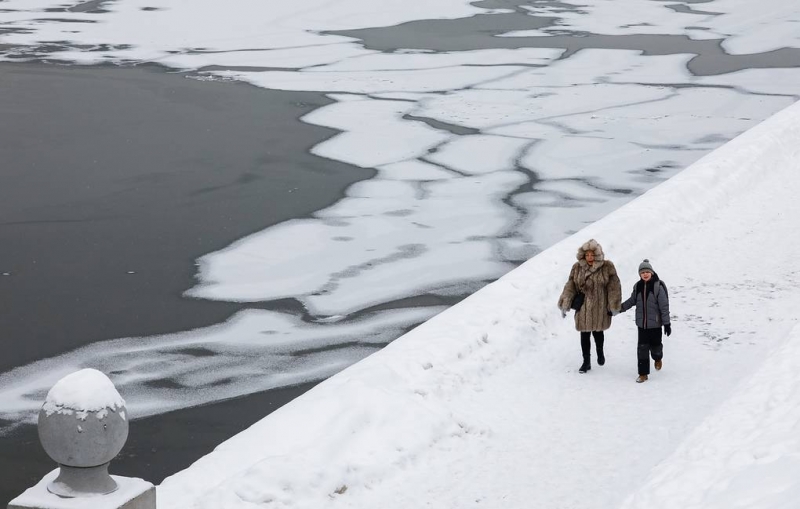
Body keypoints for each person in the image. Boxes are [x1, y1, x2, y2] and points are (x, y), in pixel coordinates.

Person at [558, 239, 622, 373]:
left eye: (592, 255)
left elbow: (614, 287)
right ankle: (586, 362)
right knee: (584, 334)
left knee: (598, 332)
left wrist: (614, 304)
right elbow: (571, 285)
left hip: (600, 306)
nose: (589, 258)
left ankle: (600, 352)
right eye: (587, 255)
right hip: (583, 307)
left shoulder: (607, 267)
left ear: (597, 255)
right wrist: (565, 302)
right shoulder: (577, 267)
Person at [619, 259, 671, 383]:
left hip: (655, 325)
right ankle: (643, 374)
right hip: (642, 325)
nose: (645, 274)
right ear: (640, 274)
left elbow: (664, 306)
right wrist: (617, 309)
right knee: (642, 349)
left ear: (652, 272)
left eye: (647, 271)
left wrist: (667, 323)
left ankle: (658, 358)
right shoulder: (638, 286)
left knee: (656, 348)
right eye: (643, 272)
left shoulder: (658, 286)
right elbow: (632, 301)